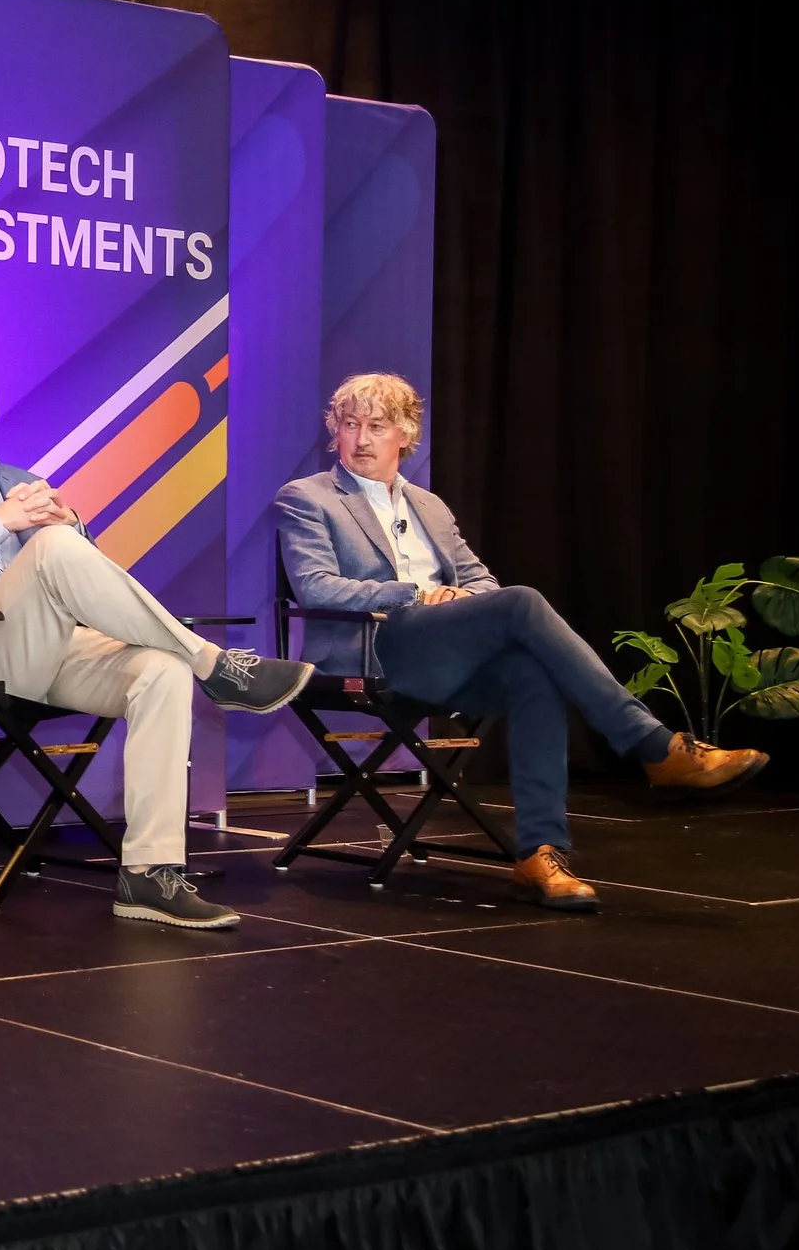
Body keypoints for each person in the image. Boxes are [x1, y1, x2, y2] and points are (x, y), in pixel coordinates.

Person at [274, 372, 766, 912]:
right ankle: (652, 745)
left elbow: (482, 581)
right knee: (522, 601)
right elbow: (316, 585)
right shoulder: (309, 498)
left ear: (405, 437)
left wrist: (459, 598)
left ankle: (538, 853)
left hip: (444, 652)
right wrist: (415, 593)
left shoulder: (429, 507)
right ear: (335, 433)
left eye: (376, 426)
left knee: (533, 678)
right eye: (350, 426)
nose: (362, 439)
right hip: (375, 647)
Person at [0, 351, 314, 931]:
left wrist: (71, 524)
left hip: (54, 649)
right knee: (51, 551)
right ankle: (217, 664)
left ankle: (149, 874)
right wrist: (0, 524)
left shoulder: (25, 484)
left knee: (160, 671)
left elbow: (94, 584)